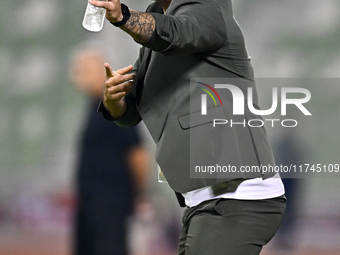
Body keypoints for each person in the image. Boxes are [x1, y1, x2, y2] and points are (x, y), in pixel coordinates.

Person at [89, 0, 286, 254]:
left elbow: (175, 33)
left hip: (238, 197)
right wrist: (113, 100)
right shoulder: (159, 14)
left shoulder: (207, 7)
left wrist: (122, 15)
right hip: (206, 200)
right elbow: (133, 109)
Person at [69, 47, 149, 255]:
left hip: (110, 202)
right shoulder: (93, 106)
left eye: (84, 70)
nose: (77, 76)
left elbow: (137, 154)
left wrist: (138, 193)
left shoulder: (115, 106)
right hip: (89, 200)